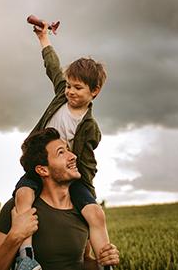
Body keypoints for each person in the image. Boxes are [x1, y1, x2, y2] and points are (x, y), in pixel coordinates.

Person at [14, 21, 111, 270]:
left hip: (72, 176)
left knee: (95, 214)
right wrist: (44, 38)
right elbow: (52, 66)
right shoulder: (61, 94)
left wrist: (87, 195)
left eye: (78, 88)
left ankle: (104, 262)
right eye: (69, 85)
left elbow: (87, 165)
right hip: (42, 163)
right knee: (23, 195)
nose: (70, 91)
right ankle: (26, 258)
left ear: (95, 91)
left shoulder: (90, 128)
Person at [0, 128, 119, 270]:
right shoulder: (16, 209)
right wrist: (15, 235)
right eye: (61, 152)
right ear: (43, 170)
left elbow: (83, 262)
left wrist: (102, 260)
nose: (73, 156)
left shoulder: (84, 211)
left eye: (68, 149)